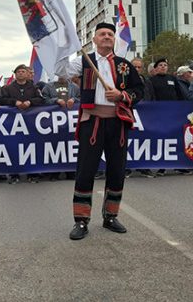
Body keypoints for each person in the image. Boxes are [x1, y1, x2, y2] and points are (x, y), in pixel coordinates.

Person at [67, 22, 144, 240]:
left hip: (117, 122)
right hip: (92, 121)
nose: (107, 37)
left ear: (114, 39)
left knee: (117, 170)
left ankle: (111, 216)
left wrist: (122, 96)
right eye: (102, 34)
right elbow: (61, 70)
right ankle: (81, 220)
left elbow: (139, 90)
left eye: (110, 34)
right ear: (94, 39)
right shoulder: (84, 61)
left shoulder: (124, 65)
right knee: (86, 169)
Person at [1, 64, 45, 183]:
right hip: (13, 124)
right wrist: (14, 102)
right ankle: (14, 174)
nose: (20, 73)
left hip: (30, 123)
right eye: (18, 72)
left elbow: (41, 99)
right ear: (15, 74)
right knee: (14, 148)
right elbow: (2, 99)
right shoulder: (8, 88)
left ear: (27, 74)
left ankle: (33, 174)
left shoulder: (34, 87)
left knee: (31, 148)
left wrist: (30, 102)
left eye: (23, 71)